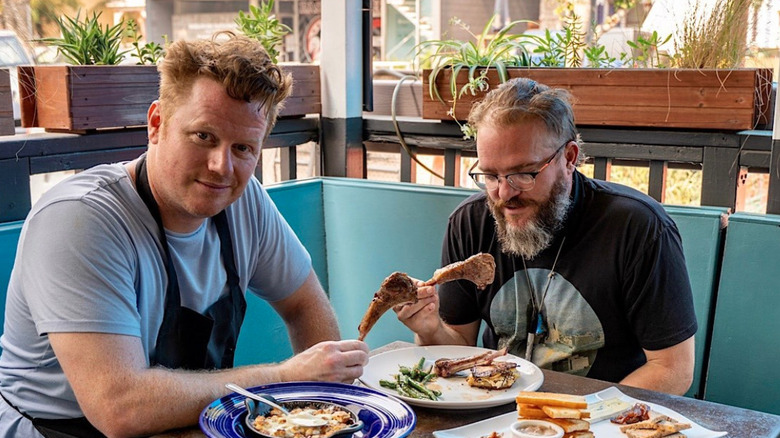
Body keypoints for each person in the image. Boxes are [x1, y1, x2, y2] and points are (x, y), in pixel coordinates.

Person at [0, 32, 369, 437]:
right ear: (156, 124)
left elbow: (304, 304)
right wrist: (284, 376)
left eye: (243, 148)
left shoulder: (246, 204)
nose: (221, 167)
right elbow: (119, 408)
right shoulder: (80, 220)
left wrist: (321, 415)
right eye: (203, 136)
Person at [394, 78, 697, 395]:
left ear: (569, 158)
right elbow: (459, 345)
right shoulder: (469, 222)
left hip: (598, 418)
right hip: (491, 407)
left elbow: (672, 369)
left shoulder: (638, 226)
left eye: (524, 173)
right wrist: (429, 330)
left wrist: (575, 418)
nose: (504, 193)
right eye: (490, 175)